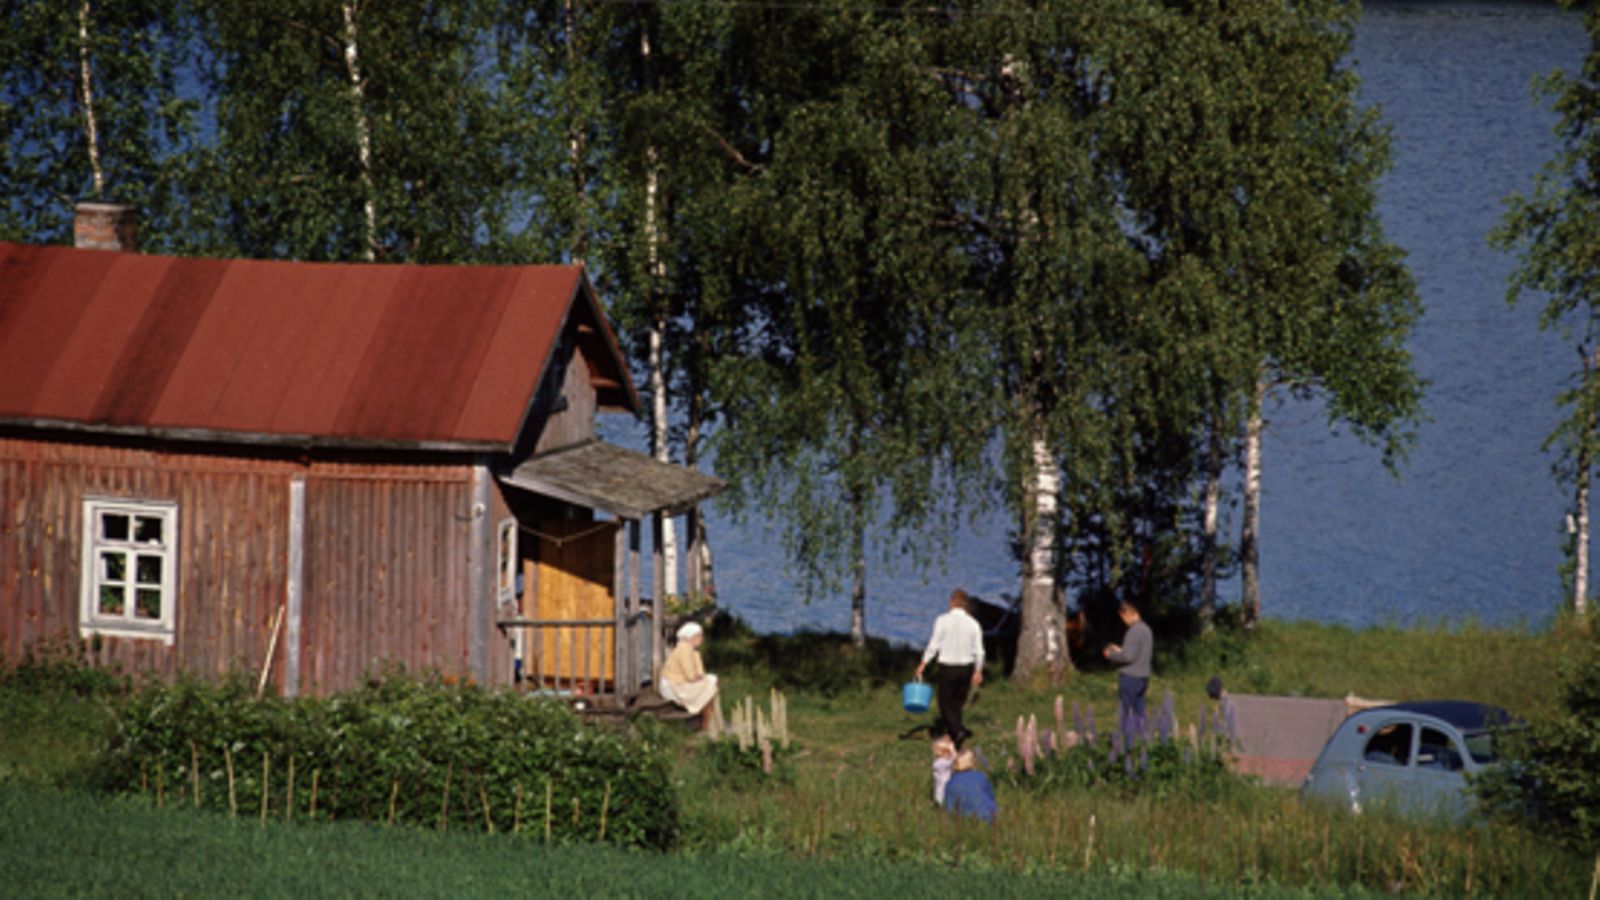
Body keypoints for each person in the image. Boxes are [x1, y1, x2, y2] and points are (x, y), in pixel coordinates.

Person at [915, 588, 984, 746]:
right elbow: (979, 651)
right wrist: (978, 671)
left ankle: (956, 732)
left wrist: (923, 663)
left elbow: (934, 645)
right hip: (966, 667)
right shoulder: (973, 624)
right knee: (958, 703)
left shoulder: (942, 620)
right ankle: (956, 734)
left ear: (951, 602)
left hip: (948, 666)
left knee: (945, 703)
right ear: (965, 605)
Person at [1102, 600, 1153, 739]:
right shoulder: (1145, 629)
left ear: (1128, 614)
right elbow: (1136, 652)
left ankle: (1128, 743)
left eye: (1123, 617)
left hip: (1130, 677)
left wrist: (1110, 655)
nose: (1123, 621)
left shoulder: (1134, 630)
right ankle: (1143, 740)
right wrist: (1120, 649)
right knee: (1139, 712)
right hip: (1142, 677)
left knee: (1128, 714)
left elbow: (1128, 657)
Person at [660, 621, 719, 724]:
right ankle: (706, 721)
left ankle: (708, 719)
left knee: (712, 681)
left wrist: (700, 677)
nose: (701, 639)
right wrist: (700, 677)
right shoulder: (684, 649)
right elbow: (691, 677)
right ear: (691, 636)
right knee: (712, 682)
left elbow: (700, 672)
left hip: (680, 683)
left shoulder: (694, 651)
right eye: (699, 636)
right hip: (672, 686)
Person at [942, 749, 996, 824]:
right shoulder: (982, 777)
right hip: (989, 817)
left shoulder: (951, 783)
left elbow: (949, 807)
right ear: (973, 762)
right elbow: (991, 796)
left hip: (965, 820)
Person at [930, 735, 956, 805]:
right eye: (948, 751)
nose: (950, 753)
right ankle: (939, 804)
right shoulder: (940, 763)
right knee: (941, 795)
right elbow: (955, 761)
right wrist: (953, 750)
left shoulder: (945, 760)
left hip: (948, 784)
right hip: (943, 785)